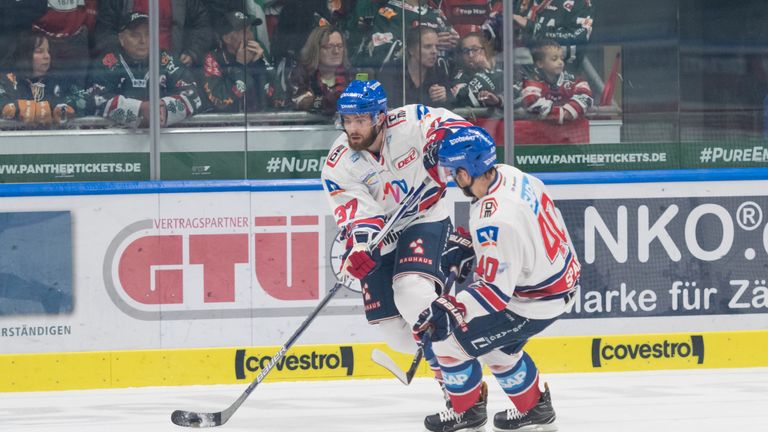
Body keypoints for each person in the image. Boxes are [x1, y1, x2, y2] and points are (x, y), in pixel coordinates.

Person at [321, 79, 473, 422]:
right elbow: (357, 215)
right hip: (383, 233)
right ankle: (452, 319)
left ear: (380, 116)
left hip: (425, 216)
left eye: (360, 120)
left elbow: (458, 129)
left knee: (412, 294)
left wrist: (440, 145)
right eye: (347, 120)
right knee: (398, 337)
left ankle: (459, 392)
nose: (352, 128)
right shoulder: (338, 163)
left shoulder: (411, 121)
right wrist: (361, 247)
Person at [412, 125, 581, 432]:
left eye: (453, 171)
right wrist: (468, 244)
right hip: (553, 284)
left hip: (534, 301)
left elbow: (494, 294)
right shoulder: (509, 174)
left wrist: (451, 308)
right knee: (497, 348)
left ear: (467, 170)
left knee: (448, 342)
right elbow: (516, 237)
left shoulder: (496, 220)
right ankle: (535, 408)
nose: (450, 177)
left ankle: (467, 412)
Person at [87, 12, 202, 128]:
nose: (143, 41)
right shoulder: (108, 62)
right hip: (117, 139)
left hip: (163, 138)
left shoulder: (167, 60)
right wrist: (138, 111)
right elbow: (97, 100)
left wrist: (163, 109)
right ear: (121, 38)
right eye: (135, 35)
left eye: (148, 34)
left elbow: (193, 97)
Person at [0, 31, 86, 128]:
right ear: (25, 54)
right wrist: (17, 107)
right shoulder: (6, 80)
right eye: (39, 51)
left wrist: (54, 107)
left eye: (48, 51)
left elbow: (82, 101)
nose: (47, 56)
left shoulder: (60, 80)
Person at [94, 0, 213, 67]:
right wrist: (120, 58)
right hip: (128, 69)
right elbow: (104, 30)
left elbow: (202, 25)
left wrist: (192, 52)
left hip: (172, 66)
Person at [200, 11, 272, 113]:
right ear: (227, 38)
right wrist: (240, 67)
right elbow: (221, 103)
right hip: (227, 126)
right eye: (244, 32)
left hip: (262, 125)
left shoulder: (258, 55)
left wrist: (258, 65)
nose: (251, 35)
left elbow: (279, 99)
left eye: (250, 30)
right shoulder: (212, 59)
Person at [521, 39, 592, 124]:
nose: (560, 62)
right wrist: (560, 114)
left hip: (568, 132)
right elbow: (532, 101)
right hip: (541, 132)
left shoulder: (570, 78)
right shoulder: (532, 80)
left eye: (561, 58)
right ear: (540, 63)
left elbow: (586, 94)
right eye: (554, 59)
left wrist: (571, 110)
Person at [378, 26, 452, 108]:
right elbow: (386, 104)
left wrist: (445, 97)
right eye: (428, 47)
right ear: (411, 50)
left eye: (436, 47)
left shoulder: (438, 71)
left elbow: (451, 106)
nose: (434, 51)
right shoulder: (392, 70)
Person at [288, 25, 354, 116]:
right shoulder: (302, 75)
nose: (336, 51)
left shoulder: (351, 75)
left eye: (340, 46)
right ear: (315, 49)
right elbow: (304, 103)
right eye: (329, 46)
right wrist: (330, 100)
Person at [513, 0, 594, 65]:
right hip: (515, 69)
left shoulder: (580, 3)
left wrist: (532, 27)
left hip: (559, 77)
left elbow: (577, 40)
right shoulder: (519, 2)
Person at [451, 32, 504, 108]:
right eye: (466, 51)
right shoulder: (460, 75)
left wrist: (487, 69)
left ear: (485, 49)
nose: (471, 55)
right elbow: (463, 97)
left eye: (475, 49)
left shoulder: (503, 67)